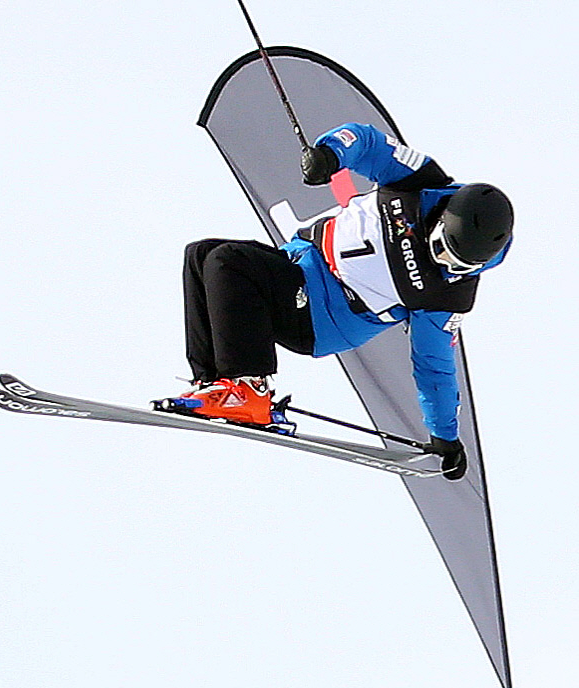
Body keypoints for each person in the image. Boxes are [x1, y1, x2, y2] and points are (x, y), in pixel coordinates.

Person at [169, 123, 514, 480]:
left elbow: (435, 368)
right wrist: (331, 154)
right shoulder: (421, 180)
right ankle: (213, 384)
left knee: (230, 262)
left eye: (459, 266)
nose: (444, 264)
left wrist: (446, 437)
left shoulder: (447, 296)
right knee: (202, 255)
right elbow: (367, 143)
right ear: (441, 220)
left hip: (320, 316)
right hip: (300, 265)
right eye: (441, 249)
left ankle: (250, 390)